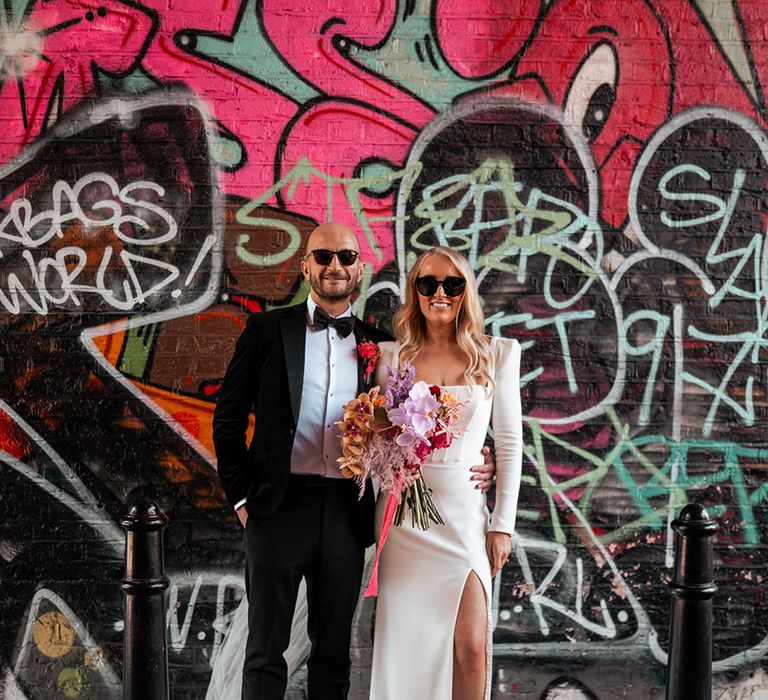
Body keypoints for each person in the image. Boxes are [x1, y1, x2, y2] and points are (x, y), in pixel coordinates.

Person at [211, 223, 494, 700]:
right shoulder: (267, 330)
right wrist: (241, 498)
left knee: (333, 654)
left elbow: (419, 419)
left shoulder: (381, 349)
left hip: (347, 510)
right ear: (306, 267)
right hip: (277, 507)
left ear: (359, 268)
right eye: (323, 257)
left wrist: (480, 456)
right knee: (265, 652)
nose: (335, 266)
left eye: (345, 256)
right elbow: (228, 417)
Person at [369, 246, 523, 700]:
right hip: (404, 521)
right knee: (409, 646)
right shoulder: (390, 359)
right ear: (414, 292)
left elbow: (510, 443)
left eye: (452, 284)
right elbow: (376, 436)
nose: (440, 293)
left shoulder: (496, 355)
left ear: (466, 292)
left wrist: (503, 526)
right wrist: (390, 463)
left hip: (465, 518)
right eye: (428, 283)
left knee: (472, 646)